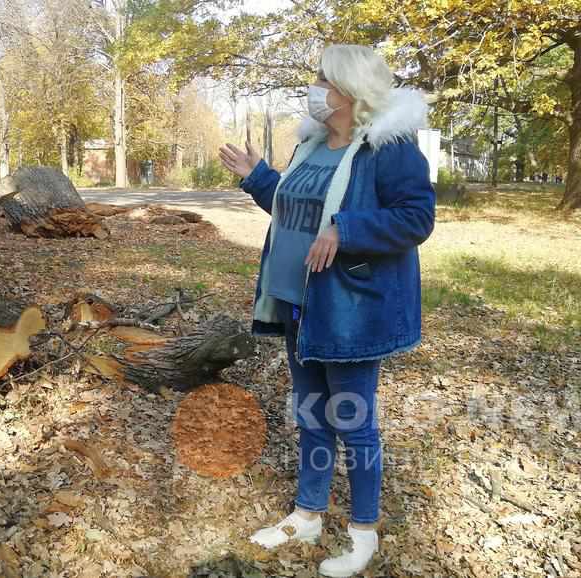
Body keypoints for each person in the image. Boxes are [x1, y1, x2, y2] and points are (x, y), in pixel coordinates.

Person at [218, 44, 435, 577]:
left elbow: (416, 218)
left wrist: (348, 229)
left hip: (351, 311)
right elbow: (294, 209)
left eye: (321, 79)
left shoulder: (390, 148)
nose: (313, 87)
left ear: (348, 90)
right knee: (311, 415)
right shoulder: (313, 145)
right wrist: (258, 176)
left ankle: (363, 535)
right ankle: (308, 515)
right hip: (299, 303)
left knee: (353, 421)